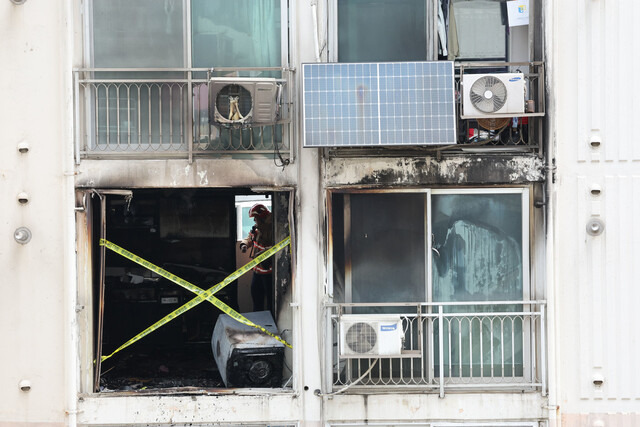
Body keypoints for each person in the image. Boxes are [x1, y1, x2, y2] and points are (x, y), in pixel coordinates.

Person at [239, 203, 274, 312]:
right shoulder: (257, 229)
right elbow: (249, 238)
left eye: (255, 218)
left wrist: (263, 253)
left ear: (262, 218)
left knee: (271, 303)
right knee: (257, 300)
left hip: (268, 274)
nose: (254, 221)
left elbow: (276, 247)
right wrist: (244, 245)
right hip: (257, 272)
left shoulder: (273, 230)